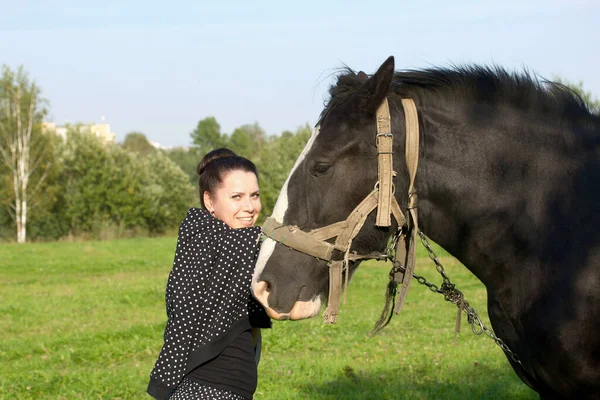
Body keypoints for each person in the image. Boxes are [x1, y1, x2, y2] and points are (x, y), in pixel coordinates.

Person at [147, 148, 271, 400]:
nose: (249, 207)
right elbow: (274, 243)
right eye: (237, 196)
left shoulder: (212, 237)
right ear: (209, 201)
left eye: (254, 195)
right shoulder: (215, 240)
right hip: (208, 391)